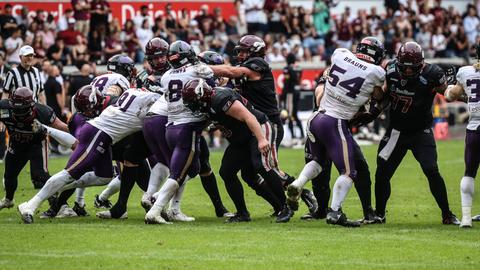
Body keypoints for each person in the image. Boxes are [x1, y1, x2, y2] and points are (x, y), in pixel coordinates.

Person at [17, 86, 160, 223]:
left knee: (104, 177)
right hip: (97, 133)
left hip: (104, 136)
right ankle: (30, 205)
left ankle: (58, 188)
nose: (87, 113)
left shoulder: (141, 98)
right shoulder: (151, 99)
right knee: (70, 173)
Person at [287, 37, 386, 227]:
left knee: (318, 162)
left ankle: (298, 183)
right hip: (336, 122)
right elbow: (379, 95)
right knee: (350, 171)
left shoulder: (340, 55)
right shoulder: (376, 72)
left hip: (316, 118)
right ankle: (335, 212)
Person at [182, 79, 294, 223]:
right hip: (241, 137)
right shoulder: (208, 104)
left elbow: (249, 117)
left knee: (261, 165)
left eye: (193, 101)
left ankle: (286, 206)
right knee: (228, 172)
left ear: (202, 95)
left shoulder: (221, 99)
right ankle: (243, 213)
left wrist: (261, 139)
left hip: (257, 128)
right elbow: (214, 119)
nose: (192, 105)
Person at [371, 41, 459, 225]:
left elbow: (449, 95)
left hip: (421, 132)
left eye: (412, 68)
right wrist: (374, 106)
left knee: (431, 169)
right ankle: (379, 214)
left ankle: (447, 214)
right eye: (405, 68)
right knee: (382, 173)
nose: (408, 71)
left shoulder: (433, 73)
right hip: (396, 131)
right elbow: (383, 96)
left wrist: (451, 88)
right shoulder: (390, 69)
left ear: (421, 64)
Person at [144, 41, 215, 224]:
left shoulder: (166, 75)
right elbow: (211, 87)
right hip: (187, 126)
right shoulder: (197, 69)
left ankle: (172, 208)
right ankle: (156, 209)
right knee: (178, 174)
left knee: (188, 169)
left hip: (170, 127)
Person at [0, 87, 70, 211]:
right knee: (9, 175)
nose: (19, 113)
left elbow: (62, 126)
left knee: (41, 175)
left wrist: (82, 131)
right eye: (17, 109)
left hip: (37, 145)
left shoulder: (43, 112)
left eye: (22, 109)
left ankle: (60, 204)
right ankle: (8, 199)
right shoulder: (4, 108)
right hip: (16, 144)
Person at [1, 45, 49, 189]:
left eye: (32, 55)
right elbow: (5, 94)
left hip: (34, 114)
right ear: (20, 57)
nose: (30, 58)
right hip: (17, 115)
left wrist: (45, 110)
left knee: (37, 144)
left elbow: (41, 93)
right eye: (27, 55)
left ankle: (38, 178)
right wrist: (2, 117)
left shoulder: (36, 72)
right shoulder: (12, 73)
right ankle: (9, 176)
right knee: (16, 143)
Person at [443, 43, 480, 228]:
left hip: (475, 129)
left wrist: (449, 85)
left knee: (469, 173)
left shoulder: (466, 72)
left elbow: (450, 95)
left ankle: (466, 218)